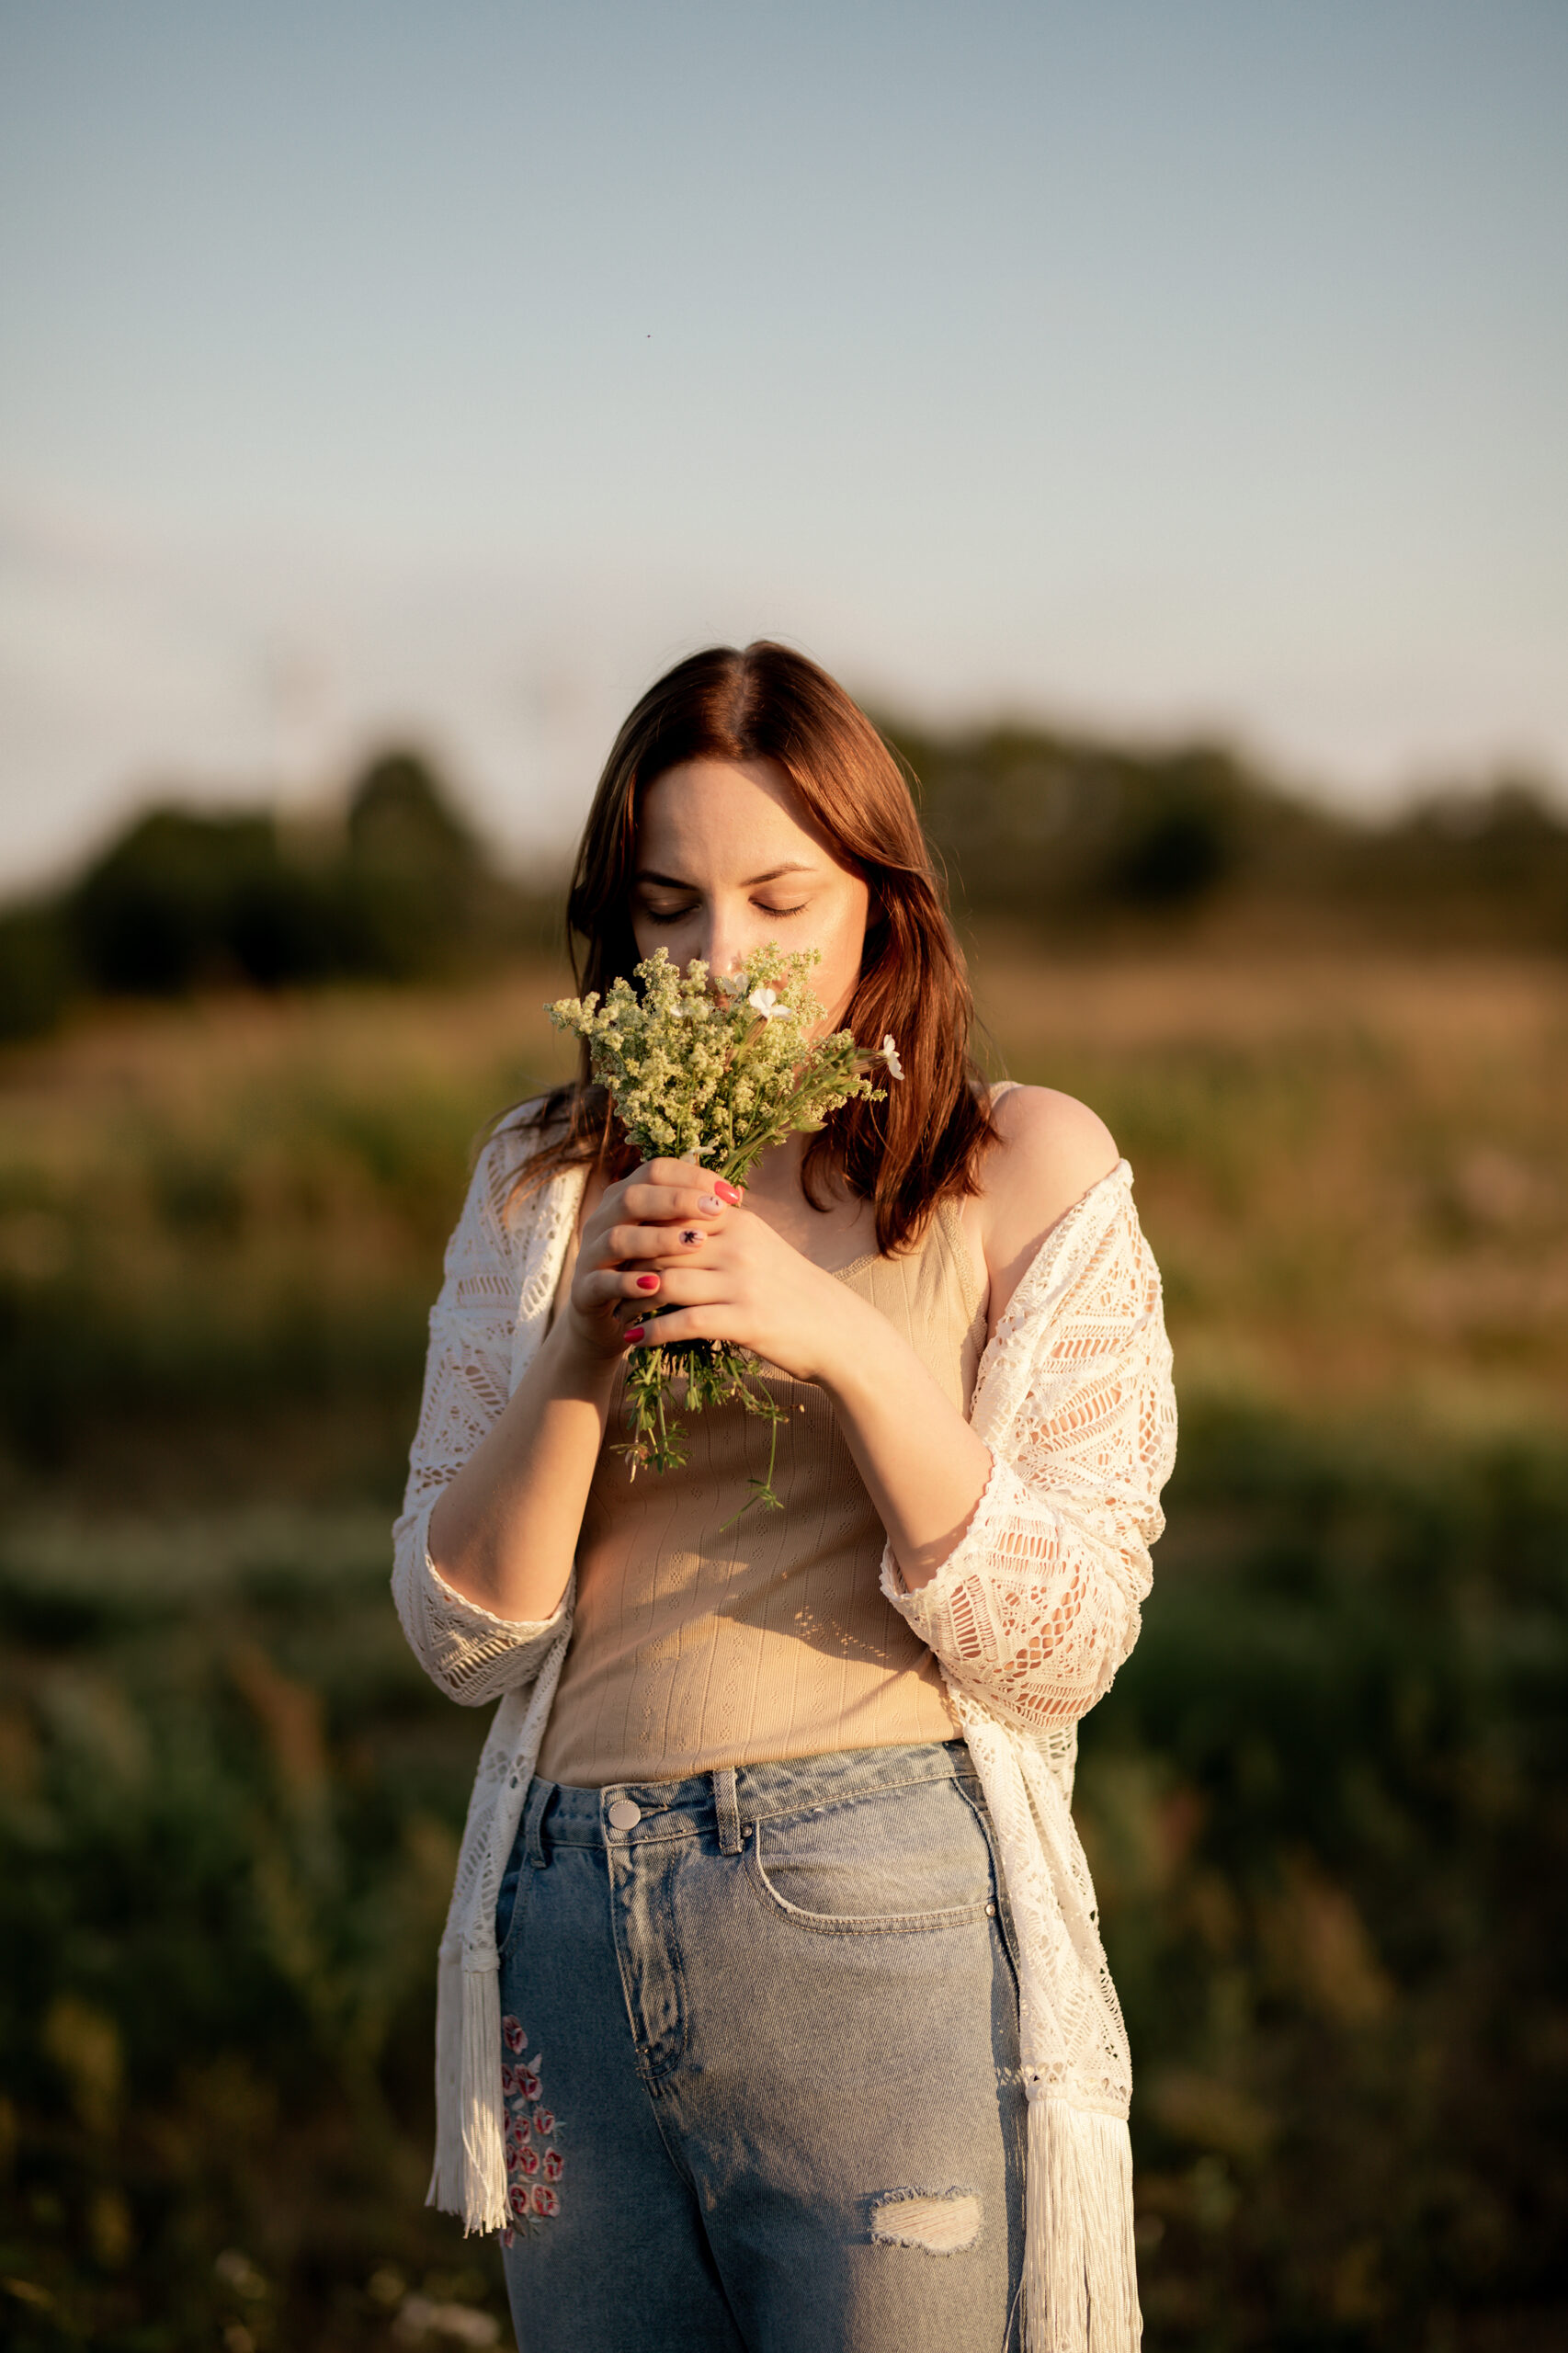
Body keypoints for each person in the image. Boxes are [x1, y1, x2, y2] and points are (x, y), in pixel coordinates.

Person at [392, 642, 1176, 2353]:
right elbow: (460, 1628)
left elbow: (1065, 1641)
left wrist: (843, 1343)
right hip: (565, 1917)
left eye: (778, 898)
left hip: (873, 1914)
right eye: (669, 907)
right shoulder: (544, 1178)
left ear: (882, 908)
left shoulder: (1013, 1159)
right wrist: (578, 1356)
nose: (720, 959)